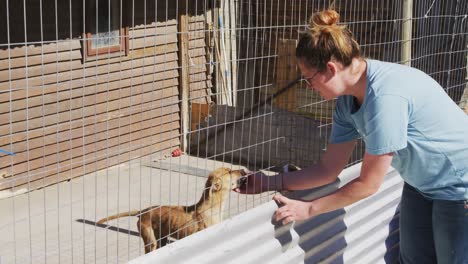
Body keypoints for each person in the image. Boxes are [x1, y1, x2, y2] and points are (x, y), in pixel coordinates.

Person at [234, 9, 468, 264]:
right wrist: (270, 182)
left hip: (459, 186)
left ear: (331, 69)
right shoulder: (348, 100)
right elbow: (328, 169)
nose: (308, 86)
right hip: (422, 183)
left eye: (309, 79)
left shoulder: (384, 98)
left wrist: (309, 209)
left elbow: (368, 184)